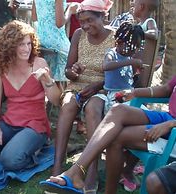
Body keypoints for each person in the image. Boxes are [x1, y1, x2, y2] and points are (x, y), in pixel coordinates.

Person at [44, 75, 176, 194]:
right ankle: (76, 172)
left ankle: (77, 174)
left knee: (113, 135)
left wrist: (170, 125)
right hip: (168, 117)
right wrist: (134, 92)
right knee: (118, 110)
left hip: (172, 127)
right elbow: (166, 89)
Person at [0, 20, 62, 171]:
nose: (26, 49)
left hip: (34, 126)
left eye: (29, 43)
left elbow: (56, 101)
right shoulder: (1, 66)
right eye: (21, 44)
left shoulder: (39, 63)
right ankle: (10, 147)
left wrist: (48, 80)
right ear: (9, 46)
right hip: (9, 122)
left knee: (10, 161)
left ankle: (32, 150)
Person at [51, 0, 115, 192]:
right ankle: (57, 166)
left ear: (103, 17)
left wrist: (98, 85)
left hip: (104, 86)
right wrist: (74, 71)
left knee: (93, 108)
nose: (85, 26)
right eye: (82, 21)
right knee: (68, 104)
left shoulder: (114, 37)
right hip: (78, 85)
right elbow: (68, 70)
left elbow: (121, 73)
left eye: (90, 20)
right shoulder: (79, 35)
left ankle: (91, 170)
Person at [102, 22, 145, 113]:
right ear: (120, 42)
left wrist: (137, 70)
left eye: (138, 47)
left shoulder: (129, 57)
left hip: (129, 94)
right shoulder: (112, 54)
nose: (136, 50)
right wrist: (131, 61)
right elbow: (106, 66)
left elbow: (128, 76)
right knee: (136, 112)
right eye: (133, 46)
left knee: (145, 112)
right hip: (115, 96)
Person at [32, 0, 72, 87]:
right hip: (57, 41)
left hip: (40, 40)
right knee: (73, 57)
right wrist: (71, 10)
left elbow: (34, 18)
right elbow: (59, 23)